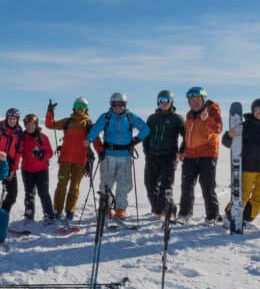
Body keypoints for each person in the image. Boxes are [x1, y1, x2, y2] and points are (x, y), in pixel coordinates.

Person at [85, 93, 150, 220]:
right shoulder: (106, 117)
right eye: (114, 104)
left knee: (123, 183)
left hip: (125, 156)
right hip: (108, 155)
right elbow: (95, 129)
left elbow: (146, 129)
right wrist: (89, 139)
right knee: (106, 182)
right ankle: (106, 207)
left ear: (125, 105)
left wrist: (136, 140)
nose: (117, 107)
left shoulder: (130, 117)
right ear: (111, 105)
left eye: (120, 104)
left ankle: (120, 209)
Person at [45, 97, 95, 222]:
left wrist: (100, 152)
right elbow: (50, 124)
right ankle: (57, 209)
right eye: (78, 105)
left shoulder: (88, 124)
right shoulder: (68, 122)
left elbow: (96, 139)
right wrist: (50, 111)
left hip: (80, 161)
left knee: (75, 187)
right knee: (61, 185)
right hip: (65, 160)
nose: (80, 109)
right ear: (74, 107)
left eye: (83, 106)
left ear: (86, 109)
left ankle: (70, 210)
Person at [178, 86, 224, 224]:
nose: (194, 102)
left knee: (207, 186)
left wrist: (207, 119)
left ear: (203, 99)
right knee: (186, 185)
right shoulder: (189, 115)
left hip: (207, 154)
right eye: (191, 99)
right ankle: (185, 214)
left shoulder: (212, 110)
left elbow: (218, 128)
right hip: (190, 155)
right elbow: (188, 135)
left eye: (197, 99)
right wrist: (182, 150)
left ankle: (212, 216)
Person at [144, 90, 185, 218]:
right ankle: (159, 209)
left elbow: (186, 136)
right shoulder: (152, 118)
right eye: (161, 100)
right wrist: (146, 151)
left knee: (166, 187)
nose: (163, 103)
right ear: (158, 101)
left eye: (166, 100)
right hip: (152, 156)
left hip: (169, 156)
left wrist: (181, 151)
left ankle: (167, 209)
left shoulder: (177, 118)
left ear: (171, 102)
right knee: (150, 185)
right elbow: (146, 136)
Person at [18, 114, 55, 222]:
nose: (30, 126)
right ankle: (29, 215)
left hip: (42, 170)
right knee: (29, 193)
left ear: (36, 125)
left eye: (32, 124)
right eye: (28, 124)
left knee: (44, 193)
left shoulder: (43, 137)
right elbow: (18, 152)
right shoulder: (22, 138)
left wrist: (42, 155)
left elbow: (50, 152)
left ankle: (49, 215)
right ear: (25, 125)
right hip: (27, 170)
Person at [0, 107, 25, 215]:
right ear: (7, 118)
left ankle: (3, 215)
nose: (12, 120)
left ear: (17, 120)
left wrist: (13, 170)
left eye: (15, 118)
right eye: (10, 118)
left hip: (9, 165)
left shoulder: (19, 133)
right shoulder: (0, 130)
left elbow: (18, 153)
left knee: (12, 194)